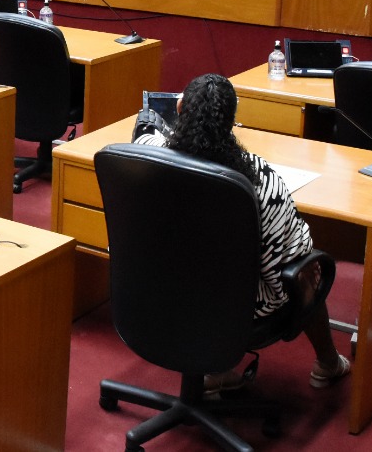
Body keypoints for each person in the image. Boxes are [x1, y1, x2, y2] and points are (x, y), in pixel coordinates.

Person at [134, 73, 350, 392]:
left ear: (180, 109)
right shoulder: (259, 182)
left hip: (161, 292)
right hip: (235, 310)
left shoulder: (146, 157)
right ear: (233, 120)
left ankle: (216, 369)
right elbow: (284, 271)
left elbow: (144, 132)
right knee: (307, 268)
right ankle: (328, 365)